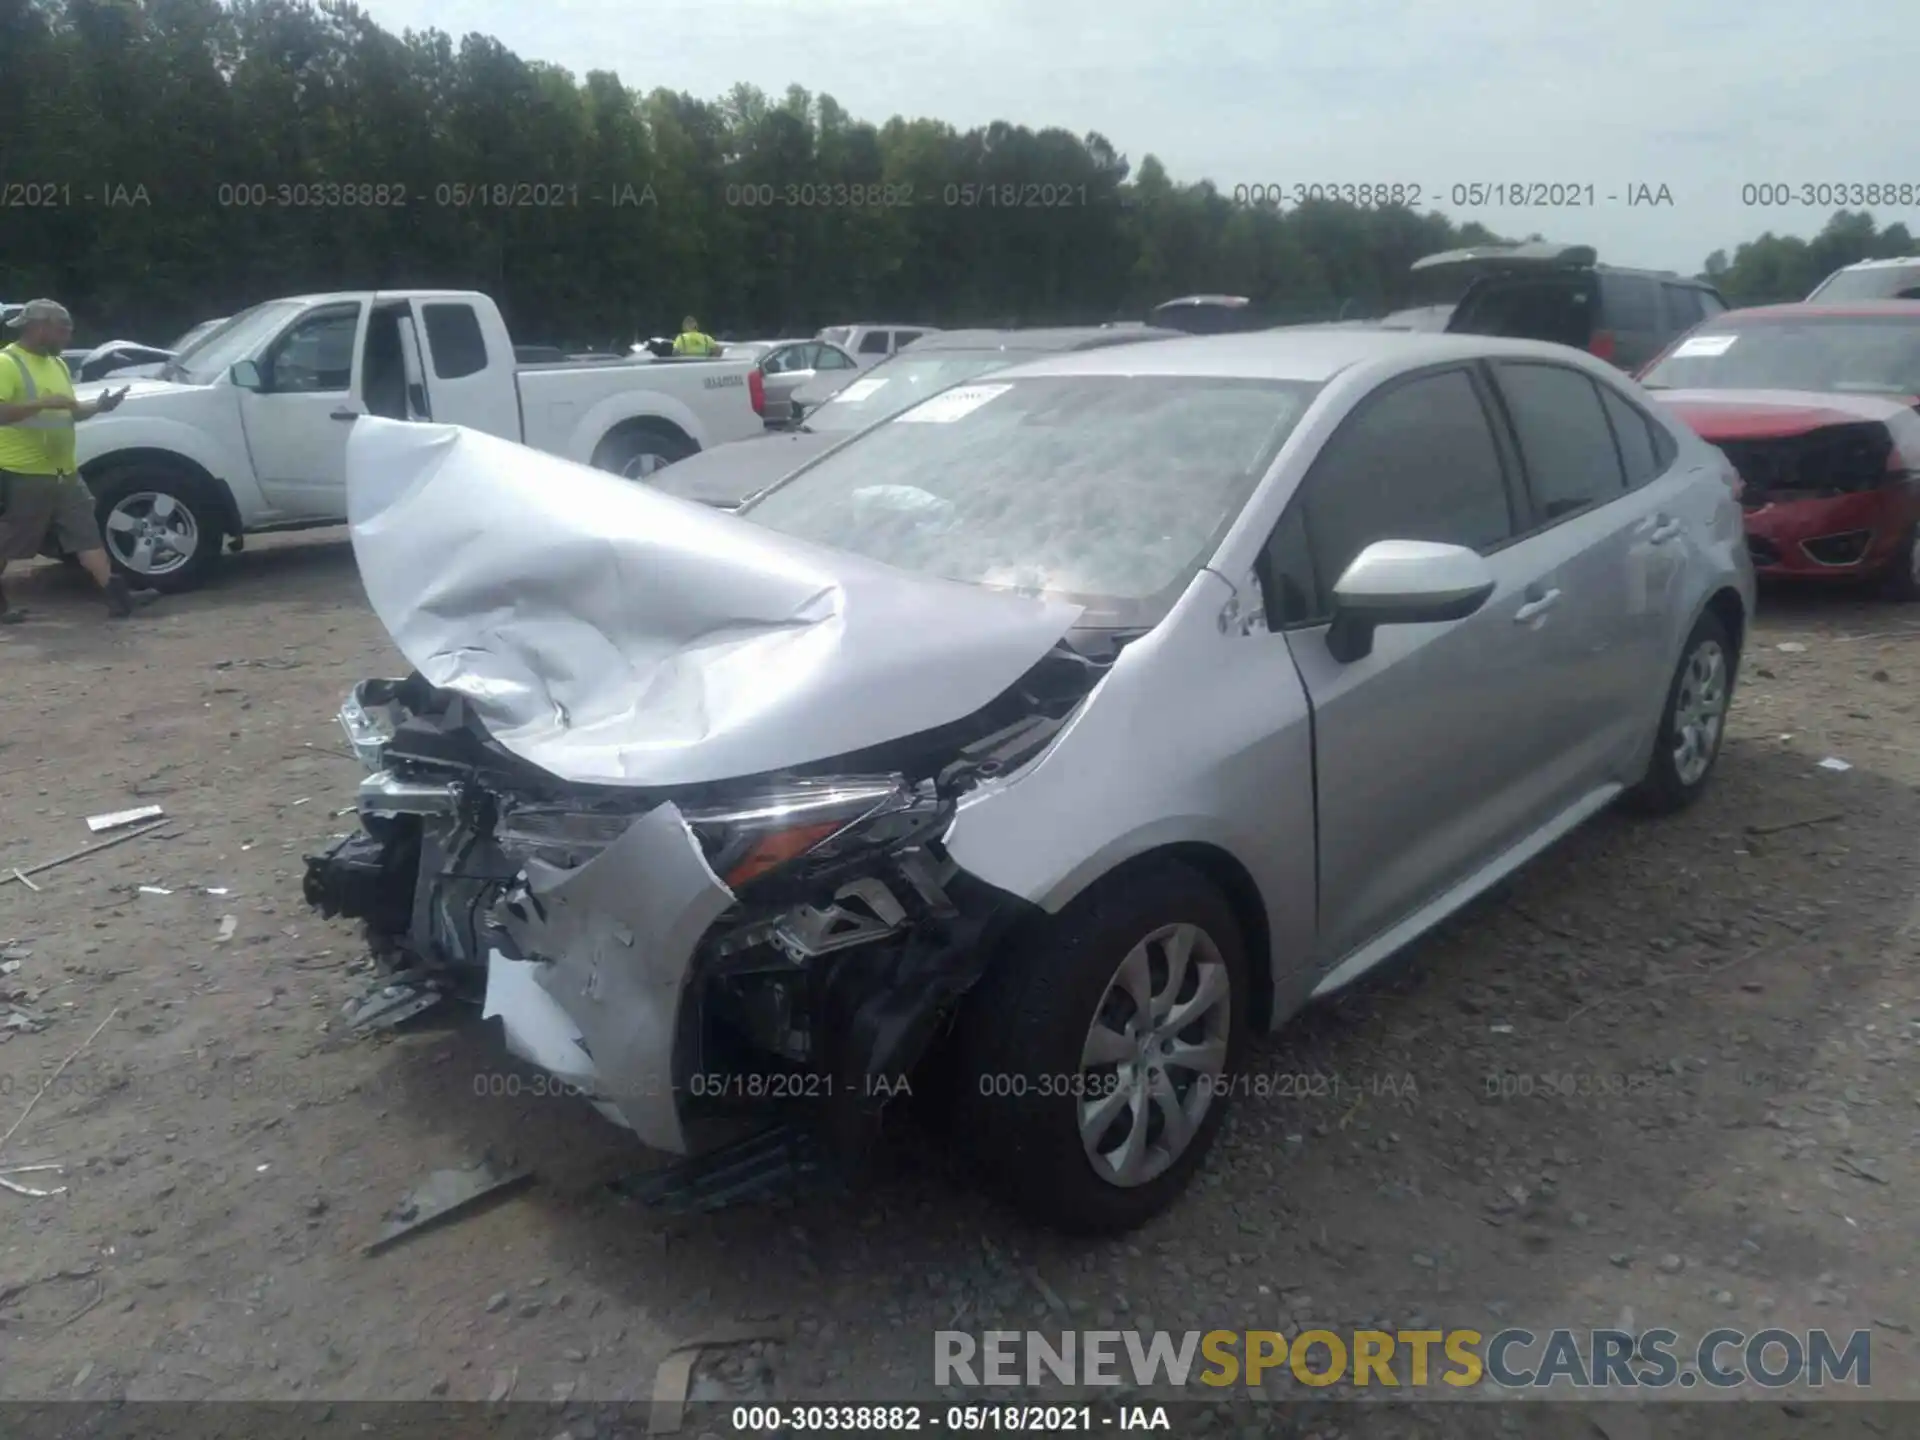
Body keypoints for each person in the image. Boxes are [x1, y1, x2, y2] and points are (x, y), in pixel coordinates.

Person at [0, 299, 145, 621]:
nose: (68, 336)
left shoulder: (58, 365)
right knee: (12, 541)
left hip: (64, 470)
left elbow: (69, 411)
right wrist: (40, 403)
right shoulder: (6, 363)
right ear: (39, 327)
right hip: (24, 471)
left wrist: (100, 407)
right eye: (63, 329)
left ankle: (117, 596)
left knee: (85, 533)